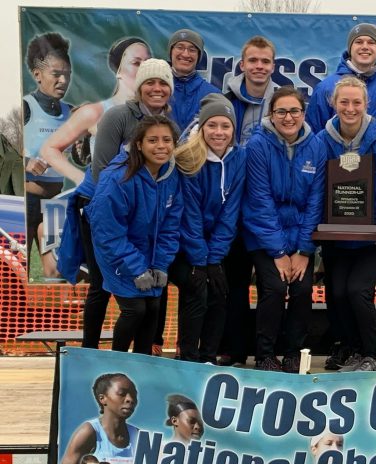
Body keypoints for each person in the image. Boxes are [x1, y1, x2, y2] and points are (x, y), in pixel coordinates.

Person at [57, 58, 175, 350]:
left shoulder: (169, 122)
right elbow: (102, 173)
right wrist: (116, 212)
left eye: (163, 83)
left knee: (149, 295)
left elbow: (164, 174)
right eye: (150, 82)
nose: (157, 89)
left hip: (138, 213)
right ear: (139, 86)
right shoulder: (117, 116)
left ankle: (145, 353)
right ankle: (90, 352)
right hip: (101, 205)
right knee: (101, 286)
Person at [316, 76, 376, 372]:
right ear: (333, 103)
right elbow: (317, 188)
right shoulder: (321, 140)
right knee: (336, 292)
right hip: (336, 234)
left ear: (367, 104)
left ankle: (371, 353)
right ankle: (346, 347)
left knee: (356, 289)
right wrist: (317, 228)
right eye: (344, 102)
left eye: (357, 102)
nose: (350, 108)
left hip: (373, 235)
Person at [242, 86, 325, 372]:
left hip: (301, 237)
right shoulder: (256, 145)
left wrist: (304, 250)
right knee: (275, 288)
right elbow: (260, 201)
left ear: (303, 113)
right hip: (265, 237)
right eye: (281, 111)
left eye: (294, 111)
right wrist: (278, 251)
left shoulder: (316, 146)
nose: (288, 117)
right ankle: (265, 355)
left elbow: (316, 202)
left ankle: (295, 354)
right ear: (271, 115)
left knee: (302, 290)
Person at [86, 115, 182, 354]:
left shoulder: (170, 175)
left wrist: (160, 264)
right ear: (139, 144)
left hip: (149, 253)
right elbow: (108, 234)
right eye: (153, 140)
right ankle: (117, 361)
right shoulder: (116, 178)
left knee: (153, 306)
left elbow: (171, 226)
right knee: (135, 309)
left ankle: (142, 363)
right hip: (116, 253)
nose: (161, 146)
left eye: (167, 140)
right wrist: (136, 267)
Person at [169, 94, 246, 364]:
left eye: (225, 126)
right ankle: (188, 357)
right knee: (196, 290)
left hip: (214, 247)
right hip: (185, 246)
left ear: (233, 130)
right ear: (201, 129)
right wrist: (200, 259)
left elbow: (230, 212)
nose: (219, 132)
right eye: (212, 125)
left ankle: (208, 356)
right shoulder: (187, 158)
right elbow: (188, 215)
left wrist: (215, 257)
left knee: (219, 291)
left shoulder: (239, 158)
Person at [217, 35, 277, 367]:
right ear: (242, 64)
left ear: (273, 66)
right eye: (253, 60)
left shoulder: (282, 103)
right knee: (235, 285)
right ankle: (235, 352)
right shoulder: (223, 100)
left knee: (271, 286)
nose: (258, 67)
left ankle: (269, 354)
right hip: (232, 208)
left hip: (268, 211)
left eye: (265, 61)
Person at [40, 37, 152, 185]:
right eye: (136, 63)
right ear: (118, 71)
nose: (144, 69)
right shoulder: (94, 112)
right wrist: (82, 181)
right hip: (108, 199)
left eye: (149, 63)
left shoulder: (156, 113)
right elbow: (49, 148)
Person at [306, 23, 376, 141]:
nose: (365, 46)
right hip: (337, 158)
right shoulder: (325, 88)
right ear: (350, 48)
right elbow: (313, 139)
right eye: (359, 42)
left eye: (371, 42)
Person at [22, 32, 73, 274]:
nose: (63, 80)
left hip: (55, 202)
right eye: (56, 74)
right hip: (28, 202)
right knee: (20, 264)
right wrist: (26, 163)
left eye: (67, 75)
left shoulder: (72, 112)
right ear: (37, 74)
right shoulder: (24, 106)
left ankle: (58, 310)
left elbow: (81, 159)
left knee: (54, 268)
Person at [61, 373, 139, 464]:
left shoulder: (137, 435)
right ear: (102, 398)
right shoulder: (89, 432)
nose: (130, 399)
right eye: (122, 394)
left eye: (133, 395)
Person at [168, 29, 220, 132]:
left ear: (198, 56)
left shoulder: (213, 95)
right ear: (171, 52)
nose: (185, 54)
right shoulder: (158, 90)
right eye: (180, 47)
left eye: (192, 50)